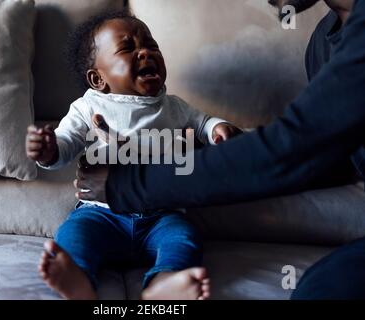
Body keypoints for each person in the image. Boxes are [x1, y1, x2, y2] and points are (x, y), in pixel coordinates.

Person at [75, 0, 365, 299]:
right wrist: (235, 156)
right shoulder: (324, 41)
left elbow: (293, 149)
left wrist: (127, 184)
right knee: (319, 288)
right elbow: (325, 155)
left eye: (151, 45)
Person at [25, 11, 242, 300]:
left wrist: (218, 129)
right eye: (127, 49)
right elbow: (66, 145)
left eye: (151, 46)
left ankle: (164, 284)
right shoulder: (88, 107)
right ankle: (79, 281)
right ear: (98, 79)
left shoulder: (173, 106)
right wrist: (49, 149)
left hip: (162, 216)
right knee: (74, 236)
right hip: (101, 214)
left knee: (183, 240)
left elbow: (202, 123)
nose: (144, 53)